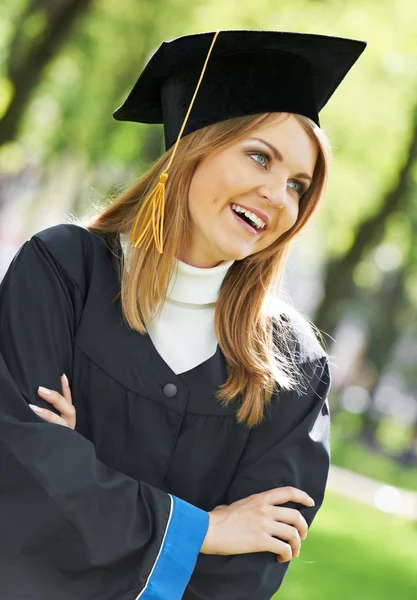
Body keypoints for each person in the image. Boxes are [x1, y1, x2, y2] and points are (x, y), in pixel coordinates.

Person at [0, 30, 366, 600]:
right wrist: (207, 529)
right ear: (193, 147)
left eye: (298, 184)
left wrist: (85, 477)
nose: (278, 195)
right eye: (259, 156)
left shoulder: (292, 369)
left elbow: (249, 570)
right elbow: (20, 474)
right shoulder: (65, 272)